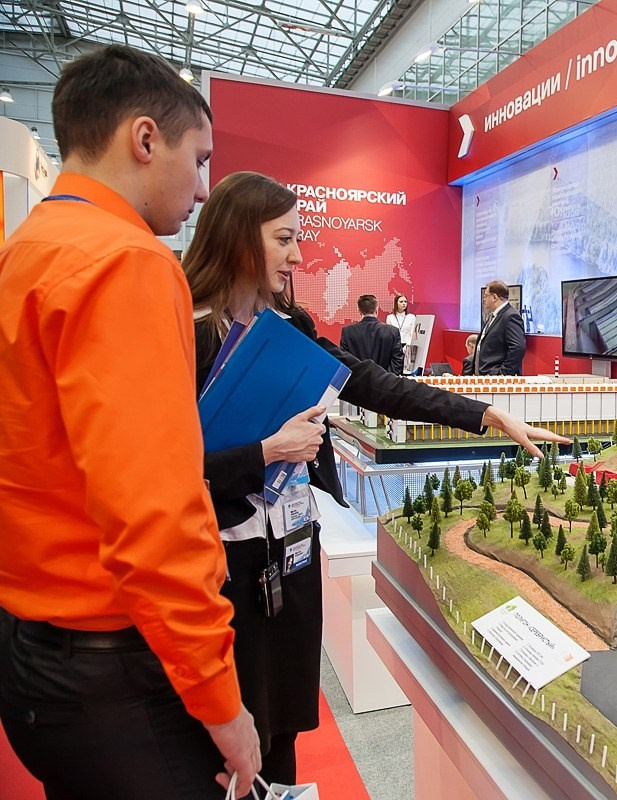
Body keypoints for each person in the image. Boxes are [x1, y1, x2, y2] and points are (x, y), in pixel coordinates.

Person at [183, 171, 568, 785]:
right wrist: (265, 452)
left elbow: (375, 385)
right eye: (284, 238)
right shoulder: (186, 335)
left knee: (283, 732)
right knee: (227, 751)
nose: (298, 256)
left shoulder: (288, 327)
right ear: (237, 237)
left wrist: (486, 414)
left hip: (293, 557)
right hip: (222, 569)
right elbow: (164, 475)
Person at [0, 45, 259, 798]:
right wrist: (221, 702)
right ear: (145, 139)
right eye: (199, 159)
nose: (205, 189)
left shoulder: (25, 252)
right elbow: (153, 513)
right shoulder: (127, 262)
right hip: (116, 664)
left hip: (31, 648)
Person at [339, 294, 405, 373]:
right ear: (377, 309)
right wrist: (387, 378)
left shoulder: (348, 332)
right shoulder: (392, 332)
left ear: (359, 311)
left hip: (358, 379)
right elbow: (398, 361)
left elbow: (345, 361)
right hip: (385, 379)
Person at [473, 280, 526, 375]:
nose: (484, 299)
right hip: (485, 376)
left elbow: (518, 347)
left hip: (497, 378)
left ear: (494, 297)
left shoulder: (510, 316)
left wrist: (502, 373)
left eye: (486, 296)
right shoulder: (493, 316)